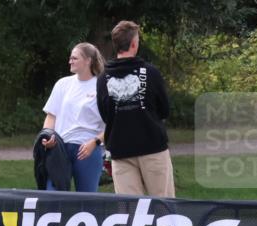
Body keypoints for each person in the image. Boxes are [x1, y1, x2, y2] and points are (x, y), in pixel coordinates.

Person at [96, 20, 174, 197]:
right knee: (163, 205)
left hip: (120, 149)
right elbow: (164, 110)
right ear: (133, 44)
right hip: (152, 147)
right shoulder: (151, 72)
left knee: (130, 212)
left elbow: (105, 114)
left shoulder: (103, 78)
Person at [39, 43, 107, 192]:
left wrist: (95, 143)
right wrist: (47, 136)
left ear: (88, 60)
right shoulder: (63, 84)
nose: (70, 61)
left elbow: (113, 125)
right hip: (59, 149)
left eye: (74, 58)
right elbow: (51, 116)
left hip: (87, 151)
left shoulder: (102, 87)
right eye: (70, 58)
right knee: (52, 198)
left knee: (86, 202)